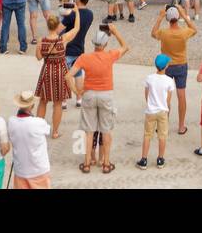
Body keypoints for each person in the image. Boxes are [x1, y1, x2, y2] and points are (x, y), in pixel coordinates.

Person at [67, 23, 129, 174]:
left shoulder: (84, 58)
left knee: (89, 131)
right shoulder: (110, 55)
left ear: (93, 43)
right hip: (106, 94)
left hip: (89, 94)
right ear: (105, 43)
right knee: (106, 130)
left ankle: (87, 162)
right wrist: (115, 31)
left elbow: (68, 76)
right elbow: (126, 46)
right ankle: (106, 163)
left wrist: (77, 92)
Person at [34, 11, 80, 139]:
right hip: (60, 71)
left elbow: (38, 57)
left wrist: (38, 47)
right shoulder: (63, 39)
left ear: (48, 26)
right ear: (57, 25)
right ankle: (55, 132)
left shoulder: (42, 41)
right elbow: (77, 28)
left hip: (47, 70)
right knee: (58, 103)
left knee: (43, 101)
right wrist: (76, 11)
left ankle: (38, 131)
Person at [153, 4, 198, 134]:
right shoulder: (184, 32)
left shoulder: (163, 33)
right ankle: (181, 125)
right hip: (181, 64)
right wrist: (184, 14)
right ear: (178, 18)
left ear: (167, 19)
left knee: (165, 96)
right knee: (181, 95)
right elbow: (194, 29)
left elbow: (153, 33)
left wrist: (160, 17)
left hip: (167, 66)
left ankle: (163, 125)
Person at [7, 90, 52, 188]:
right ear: (32, 106)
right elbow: (47, 130)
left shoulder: (11, 121)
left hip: (21, 170)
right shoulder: (39, 123)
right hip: (39, 169)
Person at [138, 54, 176, 168]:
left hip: (151, 111)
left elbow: (146, 94)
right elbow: (168, 99)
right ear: (166, 66)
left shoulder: (149, 78)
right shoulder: (169, 81)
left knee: (147, 135)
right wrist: (166, 107)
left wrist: (150, 104)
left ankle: (144, 159)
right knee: (162, 135)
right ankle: (160, 159)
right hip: (163, 111)